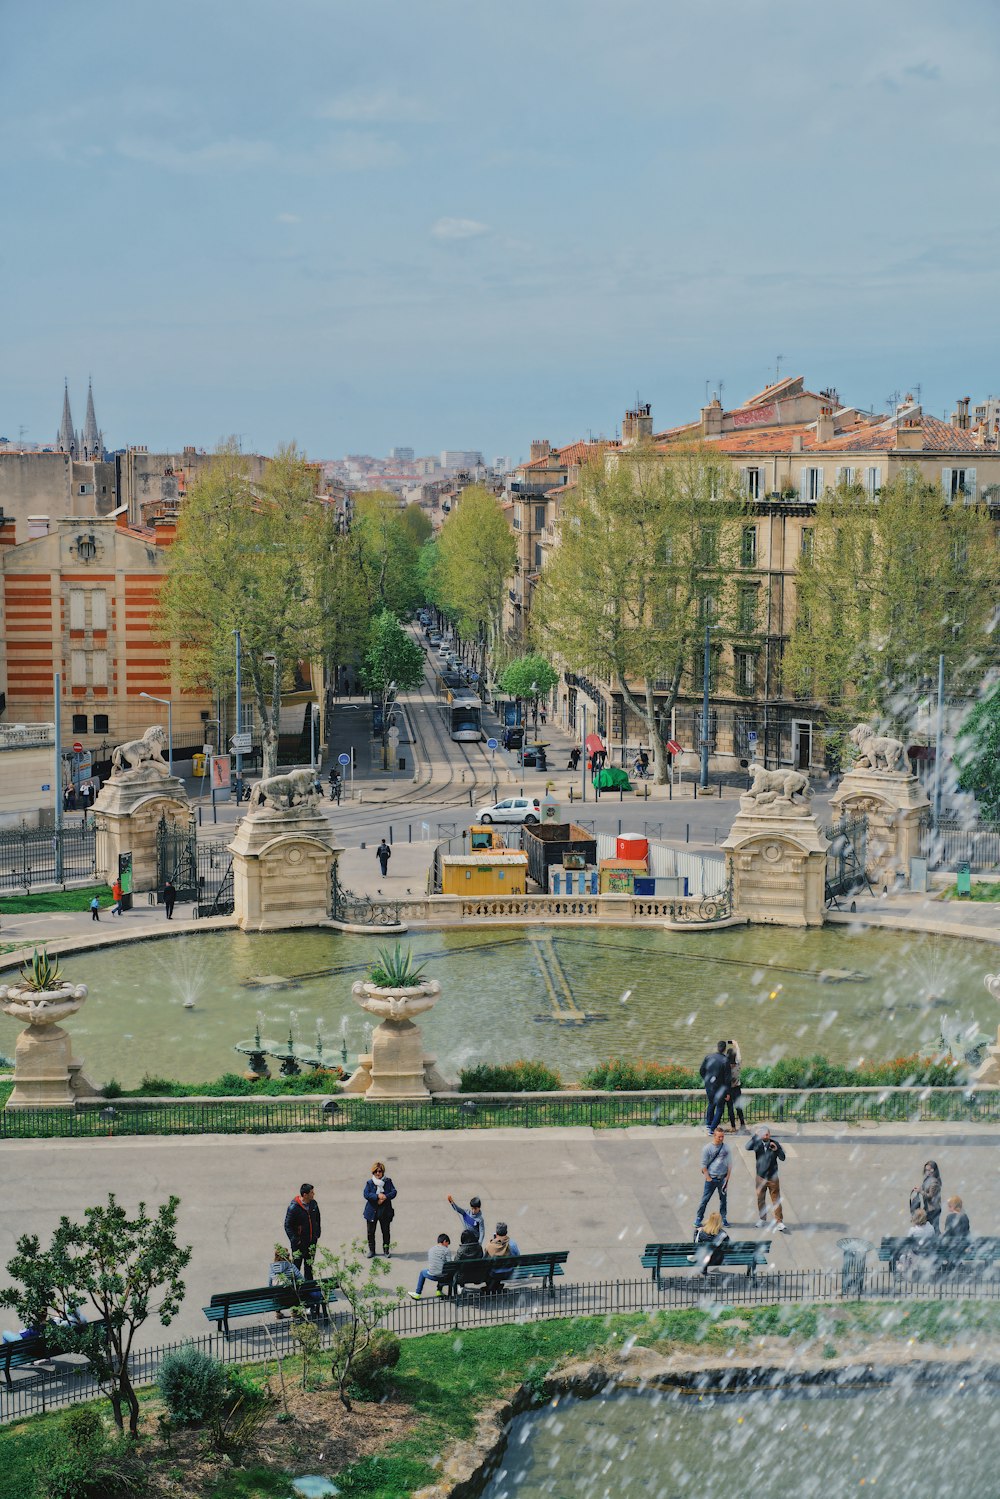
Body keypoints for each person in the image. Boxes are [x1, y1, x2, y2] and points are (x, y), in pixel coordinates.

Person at [747, 1127, 787, 1231]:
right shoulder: (757, 1143)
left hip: (773, 1178)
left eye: (767, 1134)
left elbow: (783, 1158)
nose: (765, 1136)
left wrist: (776, 1149)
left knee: (776, 1200)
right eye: (763, 1134)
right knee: (760, 1199)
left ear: (769, 1135)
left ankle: (779, 1222)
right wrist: (755, 1136)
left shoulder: (775, 1144)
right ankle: (762, 1219)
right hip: (760, 1177)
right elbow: (747, 1147)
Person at [694, 1126, 731, 1231]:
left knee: (723, 1200)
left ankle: (723, 1218)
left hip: (723, 1178)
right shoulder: (707, 1148)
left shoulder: (726, 1148)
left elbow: (730, 1164)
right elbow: (703, 1165)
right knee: (705, 1200)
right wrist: (708, 1178)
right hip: (711, 1178)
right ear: (714, 1136)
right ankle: (698, 1218)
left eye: (723, 1137)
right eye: (719, 1137)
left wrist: (727, 1178)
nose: (721, 1139)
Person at [284, 1183, 321, 1276]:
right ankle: (297, 1289)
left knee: (309, 1266)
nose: (314, 1194)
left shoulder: (314, 1204)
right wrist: (295, 1240)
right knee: (296, 1267)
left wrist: (317, 1234)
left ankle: (309, 1289)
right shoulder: (294, 1208)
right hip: (299, 1244)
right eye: (312, 1192)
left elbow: (317, 1218)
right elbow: (287, 1225)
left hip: (311, 1242)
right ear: (305, 1195)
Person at [363, 1161, 397, 1257]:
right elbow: (366, 1194)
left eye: (380, 1171)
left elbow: (394, 1192)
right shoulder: (370, 1183)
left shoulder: (388, 1181)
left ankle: (386, 1250)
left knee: (386, 1232)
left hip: (385, 1211)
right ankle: (372, 1250)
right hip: (372, 1211)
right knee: (370, 1233)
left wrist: (385, 1197)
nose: (378, 1173)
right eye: (376, 1172)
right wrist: (377, 1196)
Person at [699, 1040, 732, 1134]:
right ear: (725, 1049)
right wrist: (728, 1093)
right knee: (720, 1108)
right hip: (720, 1088)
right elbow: (727, 1079)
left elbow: (701, 1071)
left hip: (709, 1086)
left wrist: (707, 1080)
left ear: (717, 1047)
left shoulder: (708, 1057)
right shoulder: (725, 1060)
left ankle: (708, 1124)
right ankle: (712, 1129)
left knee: (711, 1104)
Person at [408, 1233, 452, 1299]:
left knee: (422, 1272)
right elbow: (449, 1264)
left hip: (432, 1275)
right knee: (442, 1269)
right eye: (447, 1244)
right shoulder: (447, 1250)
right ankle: (439, 1291)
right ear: (445, 1241)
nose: (447, 1246)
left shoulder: (431, 1250)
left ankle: (417, 1293)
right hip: (444, 1277)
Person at [268, 1243, 304, 1319]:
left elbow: (270, 1285)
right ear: (287, 1256)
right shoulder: (291, 1266)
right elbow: (301, 1279)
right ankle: (294, 1312)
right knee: (296, 1290)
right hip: (291, 1299)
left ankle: (278, 1313)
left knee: (275, 1291)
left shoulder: (272, 1268)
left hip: (278, 1300)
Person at [688, 1211, 730, 1276]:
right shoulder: (723, 1234)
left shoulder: (701, 1232)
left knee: (705, 1251)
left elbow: (696, 1245)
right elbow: (728, 1246)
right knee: (713, 1252)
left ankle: (704, 1270)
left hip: (703, 1259)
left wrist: (696, 1233)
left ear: (709, 1220)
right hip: (718, 1260)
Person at [485, 1220, 521, 1292]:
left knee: (488, 1269)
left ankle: (492, 1287)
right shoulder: (512, 1244)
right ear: (506, 1232)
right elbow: (518, 1257)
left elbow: (484, 1259)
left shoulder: (490, 1245)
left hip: (494, 1273)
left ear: (496, 1233)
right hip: (509, 1272)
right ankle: (497, 1286)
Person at [726, 1041, 746, 1131]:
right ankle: (742, 1125)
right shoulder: (738, 1064)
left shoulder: (725, 1066)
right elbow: (739, 1055)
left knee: (730, 1108)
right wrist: (736, 1045)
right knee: (739, 1107)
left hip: (728, 1090)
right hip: (737, 1088)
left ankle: (733, 1126)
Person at [920, 1161, 943, 1232]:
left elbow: (930, 1196)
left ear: (934, 1170)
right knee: (929, 1228)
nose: (928, 1172)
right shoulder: (927, 1180)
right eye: (926, 1170)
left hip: (933, 1209)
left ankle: (937, 1241)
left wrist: (920, 1191)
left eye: (930, 1170)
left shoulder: (934, 1181)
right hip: (928, 1208)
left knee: (934, 1228)